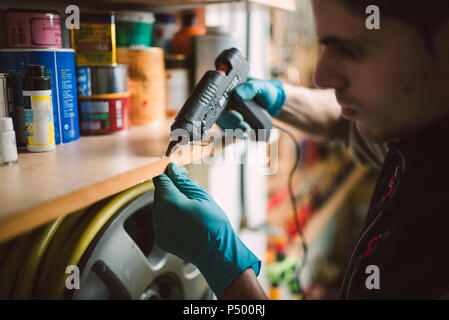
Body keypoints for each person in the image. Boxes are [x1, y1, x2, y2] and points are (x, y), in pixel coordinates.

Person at [152, 0, 449, 299]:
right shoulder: (419, 135)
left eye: (351, 50)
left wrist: (222, 264)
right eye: (325, 46)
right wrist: (280, 98)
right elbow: (348, 126)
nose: (321, 76)